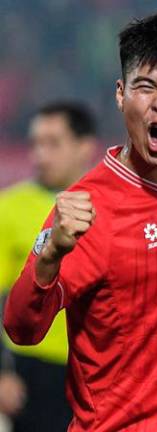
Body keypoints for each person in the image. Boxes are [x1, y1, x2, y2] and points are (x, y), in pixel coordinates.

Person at [3, 10, 157, 431]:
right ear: (120, 94)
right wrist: (50, 251)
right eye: (145, 87)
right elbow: (22, 328)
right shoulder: (87, 207)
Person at [0, 102, 96, 431]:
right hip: (29, 372)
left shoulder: (109, 206)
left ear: (85, 146)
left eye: (53, 143)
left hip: (96, 368)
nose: (40, 154)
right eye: (35, 144)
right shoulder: (8, 208)